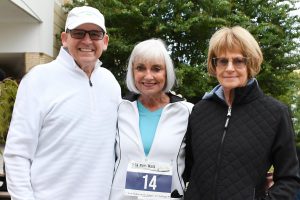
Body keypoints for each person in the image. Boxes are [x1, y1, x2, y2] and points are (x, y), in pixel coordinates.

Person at [4, 6, 121, 200]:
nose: (87, 40)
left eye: (95, 34)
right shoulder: (38, 79)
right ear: (65, 39)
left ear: (105, 41)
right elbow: (17, 153)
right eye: (78, 33)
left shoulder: (111, 84)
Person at [184, 26, 300, 200]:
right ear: (214, 65)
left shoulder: (276, 113)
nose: (229, 68)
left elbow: (290, 179)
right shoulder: (199, 111)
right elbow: (188, 169)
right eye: (222, 61)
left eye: (238, 61)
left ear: (250, 63)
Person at [109, 38, 193, 200]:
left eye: (156, 69)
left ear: (166, 72)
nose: (148, 76)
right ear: (132, 72)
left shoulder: (187, 112)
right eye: (140, 68)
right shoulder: (119, 109)